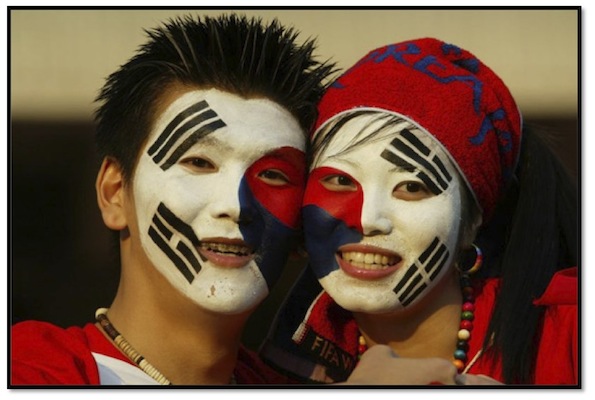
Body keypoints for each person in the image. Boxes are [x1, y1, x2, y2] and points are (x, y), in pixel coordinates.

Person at [10, 13, 335, 385]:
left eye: (273, 175)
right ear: (115, 193)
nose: (235, 205)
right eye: (199, 162)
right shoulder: (26, 373)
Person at [260, 37, 578, 385]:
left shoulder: (574, 341)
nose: (368, 219)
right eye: (339, 180)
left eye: (411, 187)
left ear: (471, 222)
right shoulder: (274, 371)